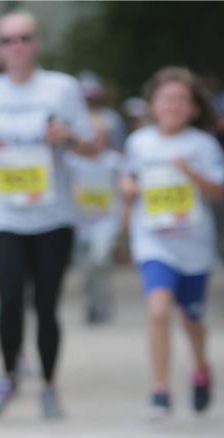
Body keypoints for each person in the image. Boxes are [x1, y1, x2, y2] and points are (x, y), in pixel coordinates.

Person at [0, 11, 95, 419]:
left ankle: (50, 384)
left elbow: (90, 146)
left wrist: (69, 137)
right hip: (1, 213)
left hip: (52, 215)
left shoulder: (62, 88)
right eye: (7, 40)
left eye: (24, 38)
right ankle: (7, 375)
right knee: (7, 297)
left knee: (46, 303)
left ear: (37, 43)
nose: (16, 46)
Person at [120, 67, 224, 418]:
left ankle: (200, 368)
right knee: (158, 310)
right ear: (153, 104)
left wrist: (191, 173)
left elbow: (218, 192)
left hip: (194, 246)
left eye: (182, 100)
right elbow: (128, 183)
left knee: (192, 320)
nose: (173, 106)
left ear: (194, 108)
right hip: (154, 242)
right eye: (167, 99)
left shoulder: (203, 145)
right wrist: (129, 193)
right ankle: (160, 390)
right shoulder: (139, 143)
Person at [65, 112, 123, 324]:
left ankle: (104, 302)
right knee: (86, 267)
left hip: (106, 222)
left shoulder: (114, 162)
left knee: (100, 260)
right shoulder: (70, 162)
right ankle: (92, 304)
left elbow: (122, 191)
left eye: (98, 136)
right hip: (80, 224)